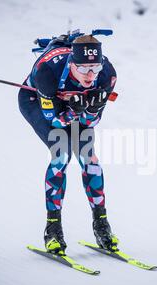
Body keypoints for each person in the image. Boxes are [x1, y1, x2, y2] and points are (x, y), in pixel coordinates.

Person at [18, 34, 118, 255]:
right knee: (62, 154)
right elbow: (52, 119)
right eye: (83, 69)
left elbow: (90, 122)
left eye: (95, 67)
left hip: (71, 107)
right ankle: (52, 229)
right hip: (36, 101)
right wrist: (73, 111)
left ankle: (101, 225)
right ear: (71, 64)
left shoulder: (107, 75)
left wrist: (90, 109)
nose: (90, 75)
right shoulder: (47, 73)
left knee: (88, 157)